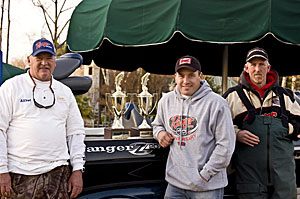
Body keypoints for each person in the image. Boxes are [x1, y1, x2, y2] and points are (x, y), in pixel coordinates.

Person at [0, 38, 86, 199]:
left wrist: (77, 170)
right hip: (19, 175)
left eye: (49, 58)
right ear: (29, 60)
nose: (44, 63)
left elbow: (75, 132)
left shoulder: (65, 92)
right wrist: (1, 170)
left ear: (55, 61)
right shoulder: (11, 87)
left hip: (58, 175)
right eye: (39, 58)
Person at [152, 55, 236, 199]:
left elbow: (226, 146)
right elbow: (157, 125)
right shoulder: (166, 101)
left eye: (191, 75)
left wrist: (204, 175)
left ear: (201, 76)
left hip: (207, 186)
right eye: (181, 75)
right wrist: (160, 134)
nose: (186, 81)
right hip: (175, 185)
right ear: (175, 77)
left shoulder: (217, 104)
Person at [223, 47, 300, 199]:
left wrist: (287, 128)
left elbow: (299, 122)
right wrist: (236, 133)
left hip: (283, 178)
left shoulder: (285, 96)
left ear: (268, 67)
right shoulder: (232, 96)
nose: (257, 69)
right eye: (253, 64)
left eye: (261, 64)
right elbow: (217, 127)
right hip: (249, 178)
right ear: (246, 68)